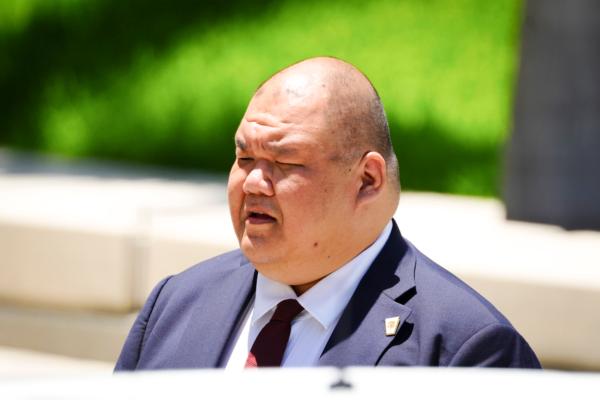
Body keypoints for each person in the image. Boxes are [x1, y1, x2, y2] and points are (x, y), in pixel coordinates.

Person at [115, 57, 541, 369]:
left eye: (285, 163)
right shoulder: (176, 303)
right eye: (244, 158)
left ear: (367, 181)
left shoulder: (466, 350)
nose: (253, 183)